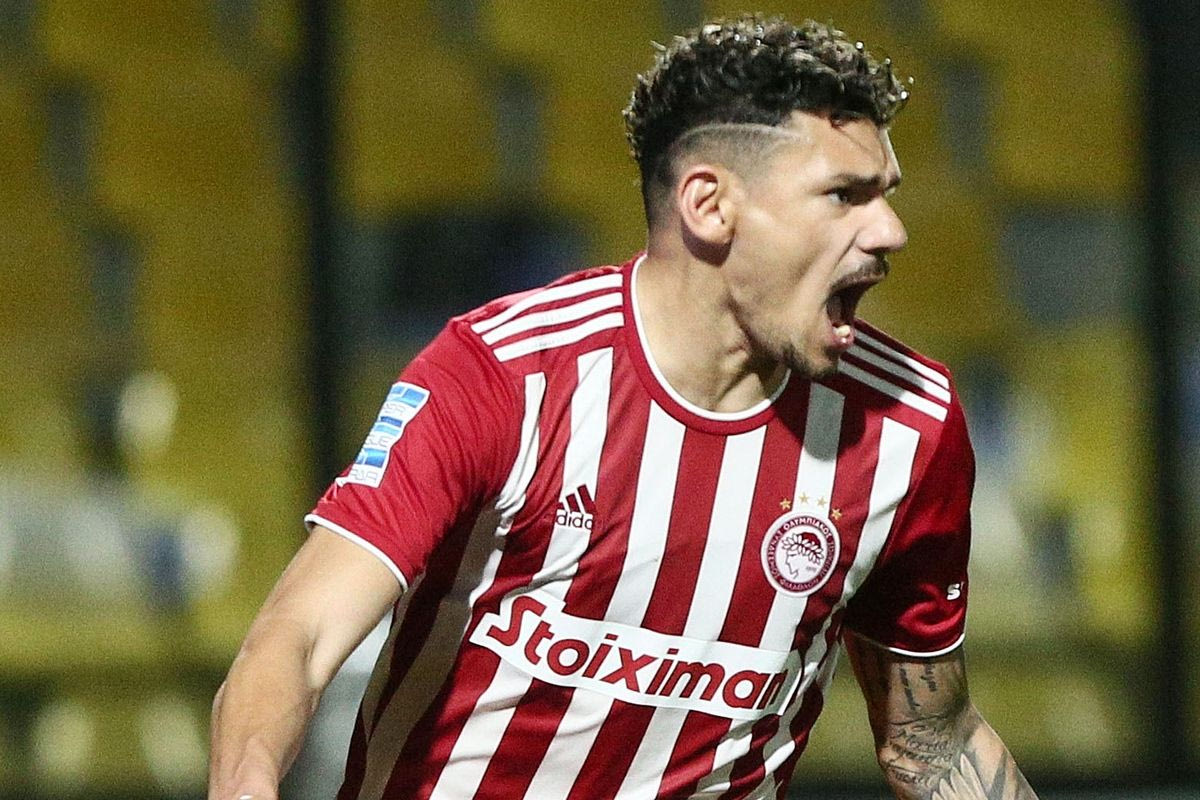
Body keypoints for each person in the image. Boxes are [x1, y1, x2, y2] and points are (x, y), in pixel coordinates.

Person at [209, 14, 1039, 800]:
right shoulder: (508, 377)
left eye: (885, 192)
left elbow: (932, 738)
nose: (890, 230)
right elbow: (296, 639)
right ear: (709, 206)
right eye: (843, 195)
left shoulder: (908, 426)